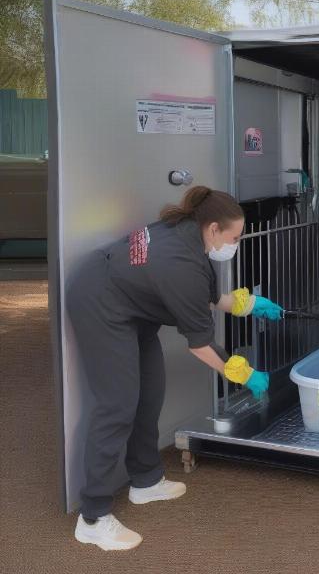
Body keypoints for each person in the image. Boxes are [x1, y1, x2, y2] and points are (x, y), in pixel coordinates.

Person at [68, 186, 283, 551]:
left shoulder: (187, 233)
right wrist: (244, 374)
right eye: (235, 237)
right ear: (214, 229)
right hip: (100, 304)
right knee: (117, 405)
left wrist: (250, 304)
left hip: (131, 306)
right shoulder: (179, 262)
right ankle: (93, 516)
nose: (237, 243)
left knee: (149, 394)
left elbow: (209, 299)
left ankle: (146, 481)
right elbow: (201, 345)